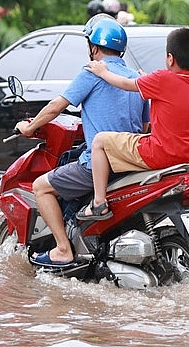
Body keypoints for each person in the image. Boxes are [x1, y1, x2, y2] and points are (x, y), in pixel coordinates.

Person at [14, 16, 149, 267]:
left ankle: (63, 249)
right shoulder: (136, 79)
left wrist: (29, 127)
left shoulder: (94, 71)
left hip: (98, 165)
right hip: (132, 162)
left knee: (40, 187)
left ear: (94, 47)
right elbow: (143, 127)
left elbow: (57, 106)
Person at [80, 27, 189, 221]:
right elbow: (170, 92)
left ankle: (98, 203)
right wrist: (148, 79)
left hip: (160, 154)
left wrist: (102, 72)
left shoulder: (162, 79)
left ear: (170, 58)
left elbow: (126, 84)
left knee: (99, 141)